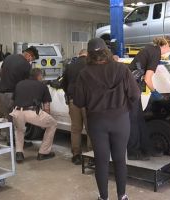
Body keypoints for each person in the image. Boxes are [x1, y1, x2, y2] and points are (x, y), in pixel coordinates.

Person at [74, 38, 140, 200]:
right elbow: (135, 94)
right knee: (119, 159)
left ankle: (103, 197)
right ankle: (122, 196)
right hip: (120, 120)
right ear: (106, 51)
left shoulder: (84, 73)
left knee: (101, 161)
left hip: (97, 122)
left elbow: (79, 102)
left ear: (89, 54)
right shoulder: (122, 69)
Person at [127, 36, 170, 160]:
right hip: (129, 88)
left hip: (131, 86)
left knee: (140, 120)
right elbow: (148, 79)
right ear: (165, 46)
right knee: (134, 121)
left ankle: (147, 149)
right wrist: (155, 92)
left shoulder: (150, 49)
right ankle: (133, 152)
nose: (169, 52)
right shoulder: (155, 53)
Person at [10, 68, 57, 163]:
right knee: (53, 124)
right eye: (41, 76)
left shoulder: (19, 84)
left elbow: (13, 100)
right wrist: (46, 121)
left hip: (16, 111)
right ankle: (43, 153)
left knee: (19, 130)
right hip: (32, 112)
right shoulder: (42, 85)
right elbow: (46, 106)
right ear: (39, 76)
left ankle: (19, 153)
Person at [62, 49, 89, 165]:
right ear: (88, 55)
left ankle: (76, 155)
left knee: (75, 129)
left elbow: (63, 84)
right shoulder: (91, 64)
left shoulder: (70, 66)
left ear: (79, 54)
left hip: (73, 100)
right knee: (91, 129)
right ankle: (90, 155)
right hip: (88, 101)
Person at [0, 46, 39, 122]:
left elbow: (0, 72)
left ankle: (7, 134)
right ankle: (13, 134)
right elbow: (26, 83)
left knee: (6, 118)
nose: (30, 61)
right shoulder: (26, 65)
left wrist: (6, 81)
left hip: (1, 93)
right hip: (13, 95)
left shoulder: (9, 57)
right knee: (16, 119)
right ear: (29, 55)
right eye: (32, 59)